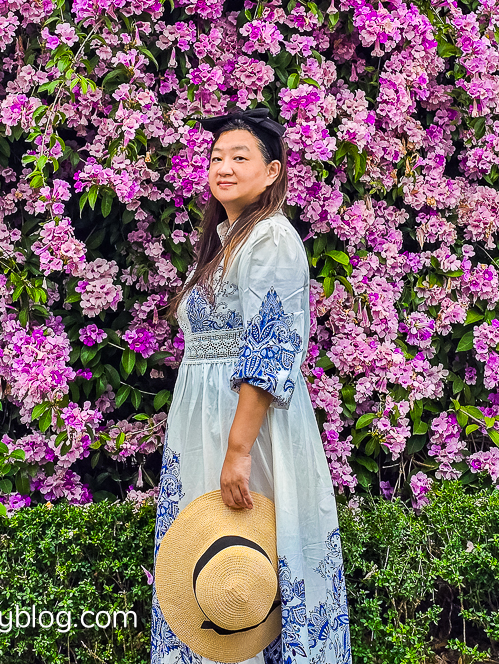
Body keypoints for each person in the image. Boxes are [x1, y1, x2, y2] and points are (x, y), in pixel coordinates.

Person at [151, 106, 352, 664]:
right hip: (206, 425)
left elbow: (270, 350)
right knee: (210, 570)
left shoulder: (271, 238)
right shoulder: (226, 242)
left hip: (249, 429)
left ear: (272, 172)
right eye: (217, 157)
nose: (224, 167)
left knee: (253, 563)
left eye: (240, 157)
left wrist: (238, 451)